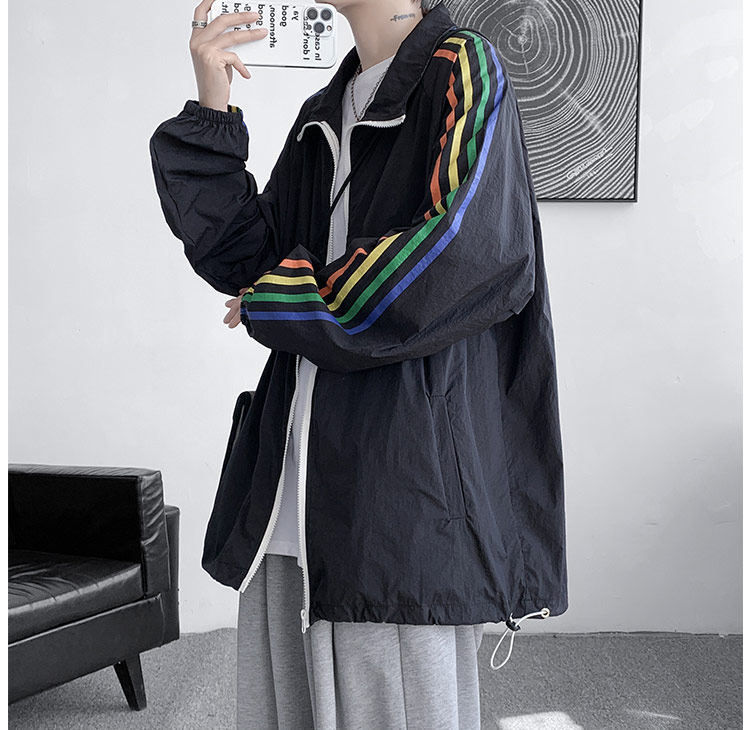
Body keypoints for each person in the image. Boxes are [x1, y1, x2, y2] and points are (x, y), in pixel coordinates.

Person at [149, 0, 569, 728]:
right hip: (291, 488)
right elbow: (248, 261)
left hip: (399, 492)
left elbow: (467, 253)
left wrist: (286, 297)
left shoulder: (462, 65)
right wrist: (213, 103)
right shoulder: (326, 110)